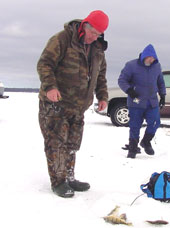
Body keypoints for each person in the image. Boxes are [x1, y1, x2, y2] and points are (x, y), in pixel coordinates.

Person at [37, 10, 109, 198]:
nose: (94, 37)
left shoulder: (97, 50)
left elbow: (100, 76)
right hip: (55, 104)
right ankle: (58, 181)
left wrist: (102, 96)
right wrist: (50, 87)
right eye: (92, 32)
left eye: (98, 34)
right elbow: (44, 64)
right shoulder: (62, 39)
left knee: (72, 144)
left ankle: (69, 177)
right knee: (56, 144)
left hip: (78, 107)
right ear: (85, 24)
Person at [118, 44, 166, 158]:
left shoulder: (157, 66)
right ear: (144, 56)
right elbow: (122, 80)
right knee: (135, 125)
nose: (151, 60)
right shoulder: (131, 65)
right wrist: (129, 90)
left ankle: (146, 141)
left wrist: (163, 95)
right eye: (150, 57)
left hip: (152, 101)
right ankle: (133, 149)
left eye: (153, 58)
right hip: (136, 100)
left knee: (155, 122)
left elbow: (161, 82)